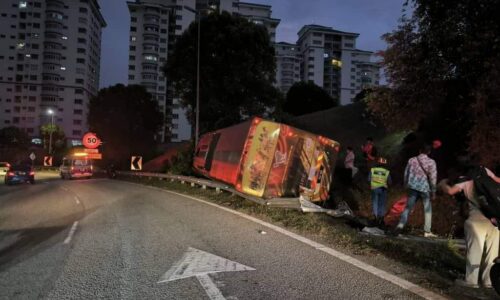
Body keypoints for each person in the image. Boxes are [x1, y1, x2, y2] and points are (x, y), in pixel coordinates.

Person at [439, 166, 500, 289]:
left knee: (475, 251)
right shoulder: (492, 183)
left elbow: (450, 191)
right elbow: (496, 179)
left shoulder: (466, 182)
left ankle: (471, 281)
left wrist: (442, 183)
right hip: (495, 222)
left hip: (475, 223)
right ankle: (489, 281)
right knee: (492, 254)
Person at [394, 145, 438, 237]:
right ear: (429, 152)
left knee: (407, 208)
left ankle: (400, 226)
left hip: (412, 187)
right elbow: (433, 178)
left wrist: (405, 184)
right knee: (427, 210)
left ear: (419, 150)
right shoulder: (431, 162)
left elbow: (406, 173)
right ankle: (427, 231)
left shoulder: (411, 160)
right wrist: (433, 191)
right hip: (424, 188)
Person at [368, 157, 391, 225]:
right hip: (383, 189)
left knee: (375, 202)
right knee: (382, 203)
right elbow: (390, 181)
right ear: (385, 164)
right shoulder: (387, 172)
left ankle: (375, 217)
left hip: (374, 188)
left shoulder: (372, 170)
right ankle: (381, 218)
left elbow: (369, 179)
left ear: (378, 163)